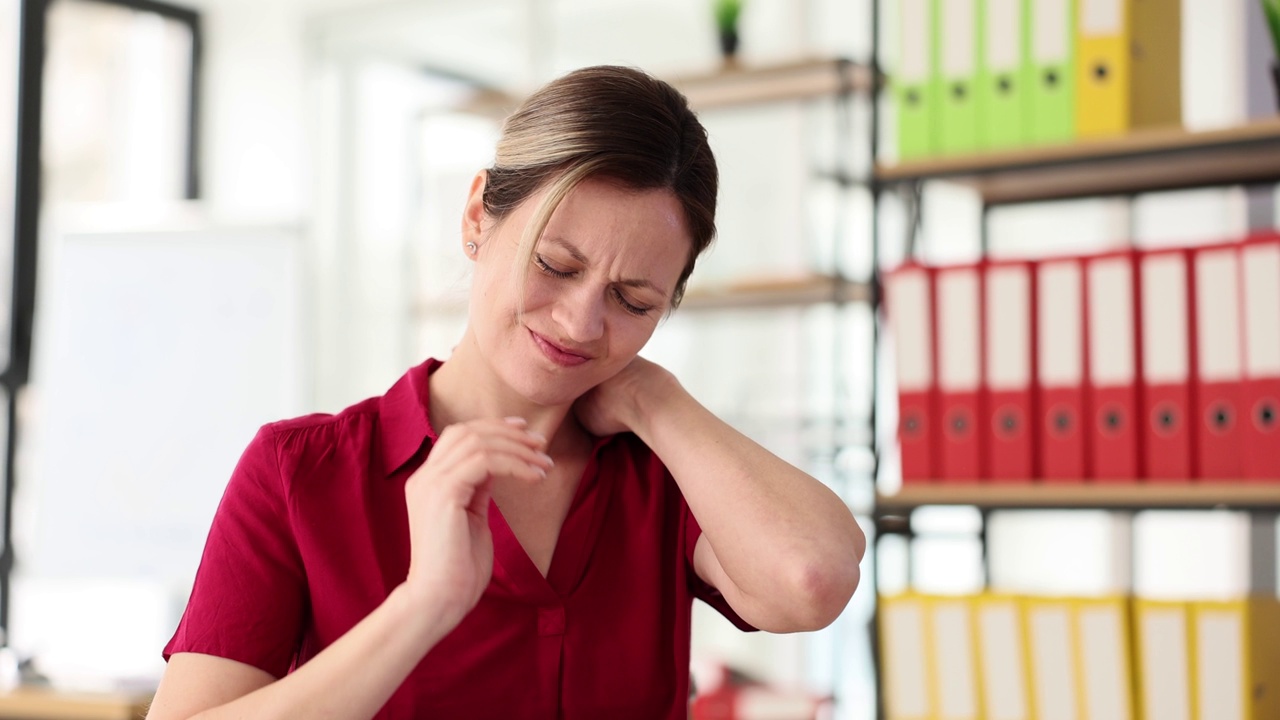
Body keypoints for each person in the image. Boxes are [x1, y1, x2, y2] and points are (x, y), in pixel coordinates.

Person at [146, 64, 866, 720]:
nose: (581, 322)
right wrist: (423, 607)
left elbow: (811, 579)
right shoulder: (301, 473)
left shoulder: (665, 475)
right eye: (555, 264)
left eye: (633, 300)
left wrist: (653, 397)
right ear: (476, 217)